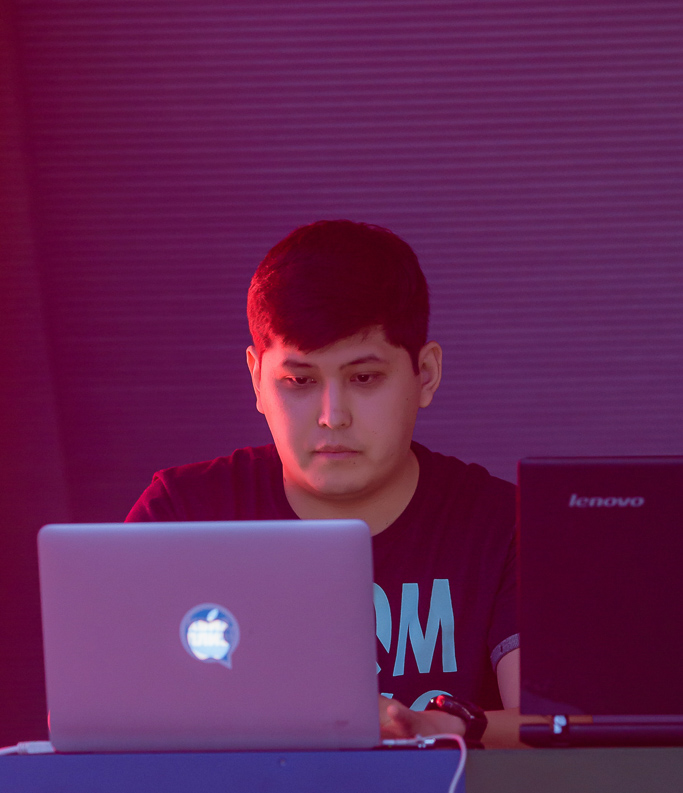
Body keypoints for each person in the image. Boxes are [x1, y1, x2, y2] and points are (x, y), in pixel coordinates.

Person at [127, 220, 531, 747]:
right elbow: (97, 716)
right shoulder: (181, 515)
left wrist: (439, 727)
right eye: (299, 381)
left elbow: (563, 728)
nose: (332, 416)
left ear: (426, 375)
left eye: (364, 378)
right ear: (257, 380)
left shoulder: (506, 526)